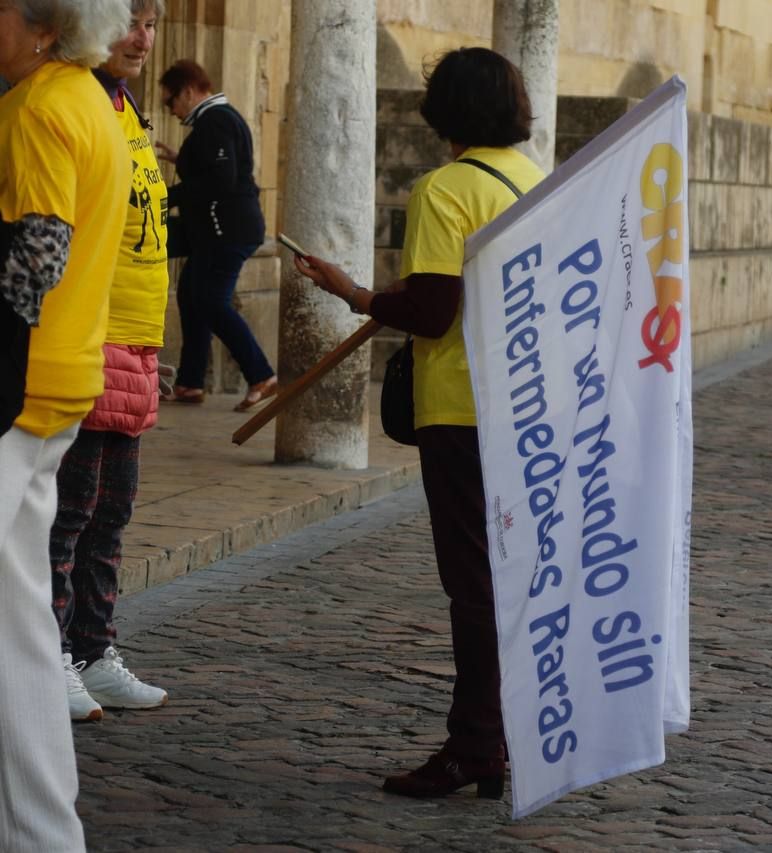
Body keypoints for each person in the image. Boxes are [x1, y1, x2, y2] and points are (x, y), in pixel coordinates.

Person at [293, 47, 544, 799]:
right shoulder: (534, 182)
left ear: (445, 112)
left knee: (473, 585)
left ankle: (475, 746)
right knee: (503, 581)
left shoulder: (445, 189)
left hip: (464, 408)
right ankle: (498, 738)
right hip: (523, 408)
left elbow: (434, 310)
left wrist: (356, 293)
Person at [0, 0, 133, 849]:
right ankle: (43, 831)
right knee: (21, 631)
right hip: (61, 382)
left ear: (43, 26)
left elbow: (35, 258)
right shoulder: (88, 98)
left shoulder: (41, 105)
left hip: (19, 386)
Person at [50, 0, 169, 724]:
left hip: (136, 341)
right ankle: (52, 654)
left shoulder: (125, 109)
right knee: (70, 513)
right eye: (130, 19)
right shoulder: (75, 101)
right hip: (89, 339)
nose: (142, 38)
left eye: (152, 23)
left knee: (112, 512)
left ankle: (93, 648)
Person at [155, 59, 276, 411]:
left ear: (189, 91)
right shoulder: (216, 120)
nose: (171, 109)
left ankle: (261, 374)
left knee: (210, 300)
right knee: (192, 296)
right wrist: (183, 161)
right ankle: (191, 382)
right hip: (216, 229)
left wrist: (168, 196)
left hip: (228, 230)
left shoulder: (216, 120)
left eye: (171, 100)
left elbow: (222, 180)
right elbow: (218, 167)